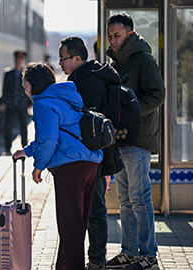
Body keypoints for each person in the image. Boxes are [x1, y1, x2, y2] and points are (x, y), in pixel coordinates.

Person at [13, 63, 103, 270]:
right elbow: (58, 132)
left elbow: (49, 139)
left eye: (24, 83)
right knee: (77, 222)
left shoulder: (43, 104)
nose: (24, 88)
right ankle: (63, 266)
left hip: (71, 167)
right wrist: (27, 151)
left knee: (69, 224)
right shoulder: (68, 96)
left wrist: (39, 166)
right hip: (89, 163)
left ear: (32, 84)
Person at [105, 13, 165, 270]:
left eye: (116, 35)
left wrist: (131, 112)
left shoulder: (143, 60)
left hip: (139, 140)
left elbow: (158, 94)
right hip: (121, 141)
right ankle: (129, 252)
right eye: (109, 35)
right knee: (126, 201)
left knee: (140, 198)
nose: (112, 40)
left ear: (129, 34)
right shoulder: (115, 63)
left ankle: (148, 255)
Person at [59, 36, 124, 270]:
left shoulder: (86, 81)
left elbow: (88, 121)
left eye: (63, 58)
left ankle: (97, 260)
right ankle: (94, 259)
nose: (60, 63)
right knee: (92, 208)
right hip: (95, 153)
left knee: (94, 209)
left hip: (93, 154)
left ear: (77, 58)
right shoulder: (88, 76)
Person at [0, 50, 32, 155]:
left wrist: (30, 101)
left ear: (23, 61)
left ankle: (24, 146)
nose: (19, 61)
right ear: (15, 60)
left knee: (24, 126)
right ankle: (7, 147)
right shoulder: (8, 74)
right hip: (11, 104)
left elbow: (29, 88)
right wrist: (3, 101)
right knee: (8, 126)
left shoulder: (26, 74)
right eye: (18, 59)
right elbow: (4, 89)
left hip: (23, 104)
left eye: (21, 59)